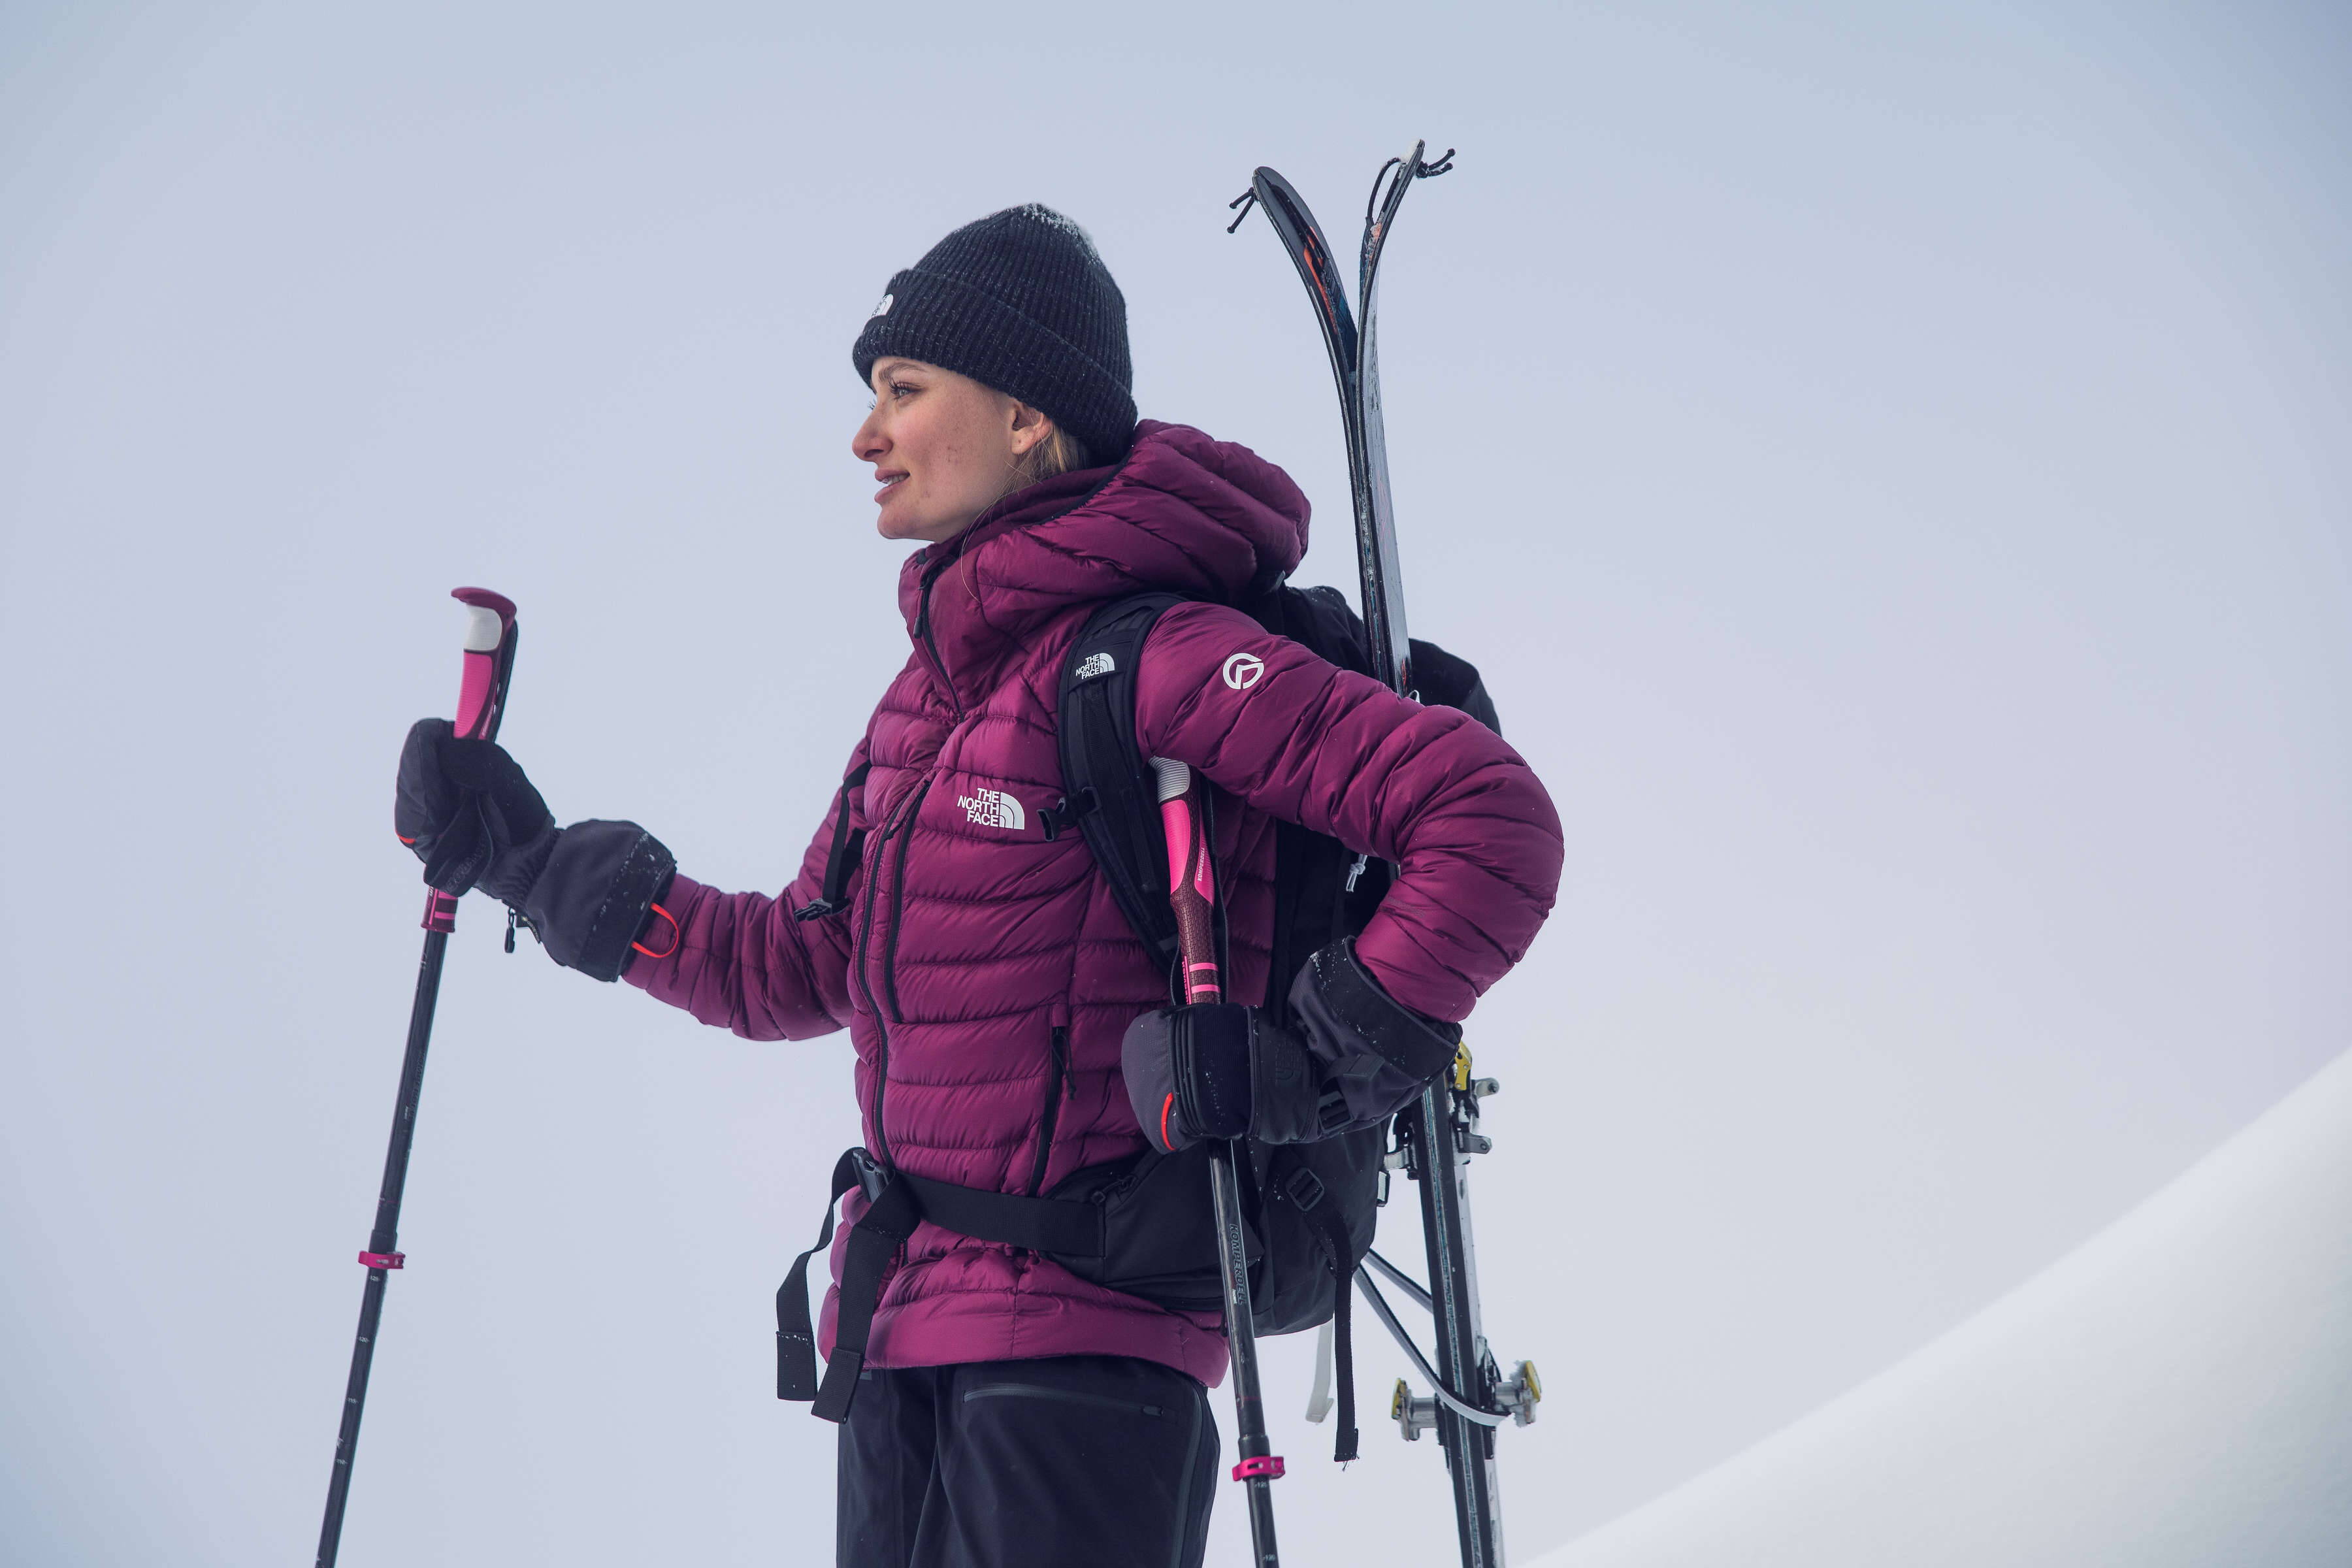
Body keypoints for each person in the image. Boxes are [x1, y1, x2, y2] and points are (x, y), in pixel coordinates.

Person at [394, 203, 1563, 1568]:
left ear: (1023, 415)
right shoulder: (934, 698)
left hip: (1089, 1358)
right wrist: (530, 865)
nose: (866, 435)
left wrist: (1311, 1061)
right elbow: (795, 966)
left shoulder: (1164, 655)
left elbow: (1488, 820)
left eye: (904, 390)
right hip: (902, 1339)